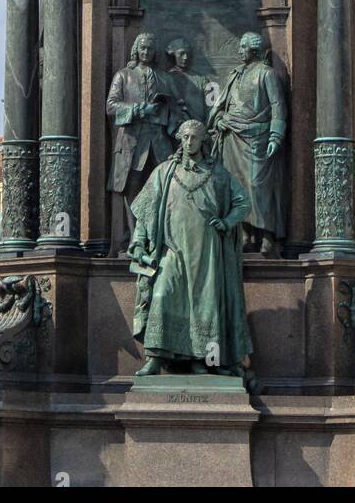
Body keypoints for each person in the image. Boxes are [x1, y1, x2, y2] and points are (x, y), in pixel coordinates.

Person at [128, 119, 253, 381]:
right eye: (184, 137)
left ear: (202, 141)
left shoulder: (217, 174)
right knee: (162, 295)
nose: (188, 142)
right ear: (179, 139)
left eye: (194, 138)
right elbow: (146, 213)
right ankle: (155, 357)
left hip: (207, 253)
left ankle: (202, 360)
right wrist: (139, 242)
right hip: (172, 250)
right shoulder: (164, 172)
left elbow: (242, 202)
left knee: (205, 306)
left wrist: (227, 221)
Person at [207, 32, 288, 256]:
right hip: (233, 137)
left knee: (257, 186)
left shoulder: (266, 74)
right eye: (240, 47)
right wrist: (219, 119)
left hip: (257, 139)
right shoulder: (236, 74)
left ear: (254, 50)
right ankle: (245, 235)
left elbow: (278, 105)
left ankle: (267, 234)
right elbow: (221, 104)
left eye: (243, 47)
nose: (239, 51)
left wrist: (275, 135)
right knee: (237, 186)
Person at [107, 33, 179, 254]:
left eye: (149, 48)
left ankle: (160, 238)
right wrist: (139, 110)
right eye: (142, 48)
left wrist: (176, 126)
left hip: (159, 141)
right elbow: (111, 107)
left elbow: (176, 108)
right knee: (133, 189)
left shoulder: (165, 78)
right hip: (132, 141)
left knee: (164, 188)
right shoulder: (123, 76)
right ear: (136, 50)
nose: (146, 52)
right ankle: (135, 238)